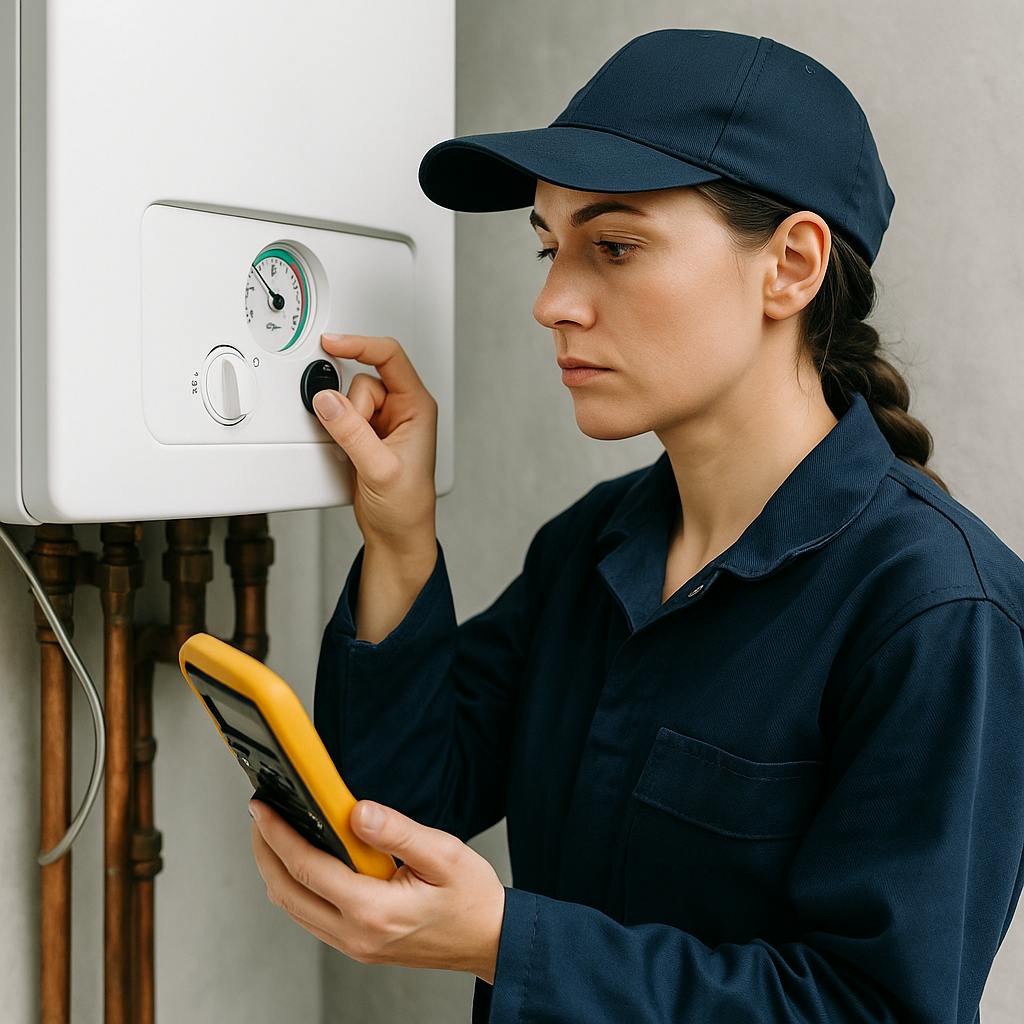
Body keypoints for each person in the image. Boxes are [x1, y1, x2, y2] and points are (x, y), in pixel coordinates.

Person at [248, 28, 1024, 1023]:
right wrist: (399, 538)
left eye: (613, 246)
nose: (551, 302)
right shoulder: (590, 548)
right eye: (548, 245)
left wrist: (504, 942)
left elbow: (875, 1008)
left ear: (790, 265)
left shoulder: (938, 613)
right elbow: (393, 809)